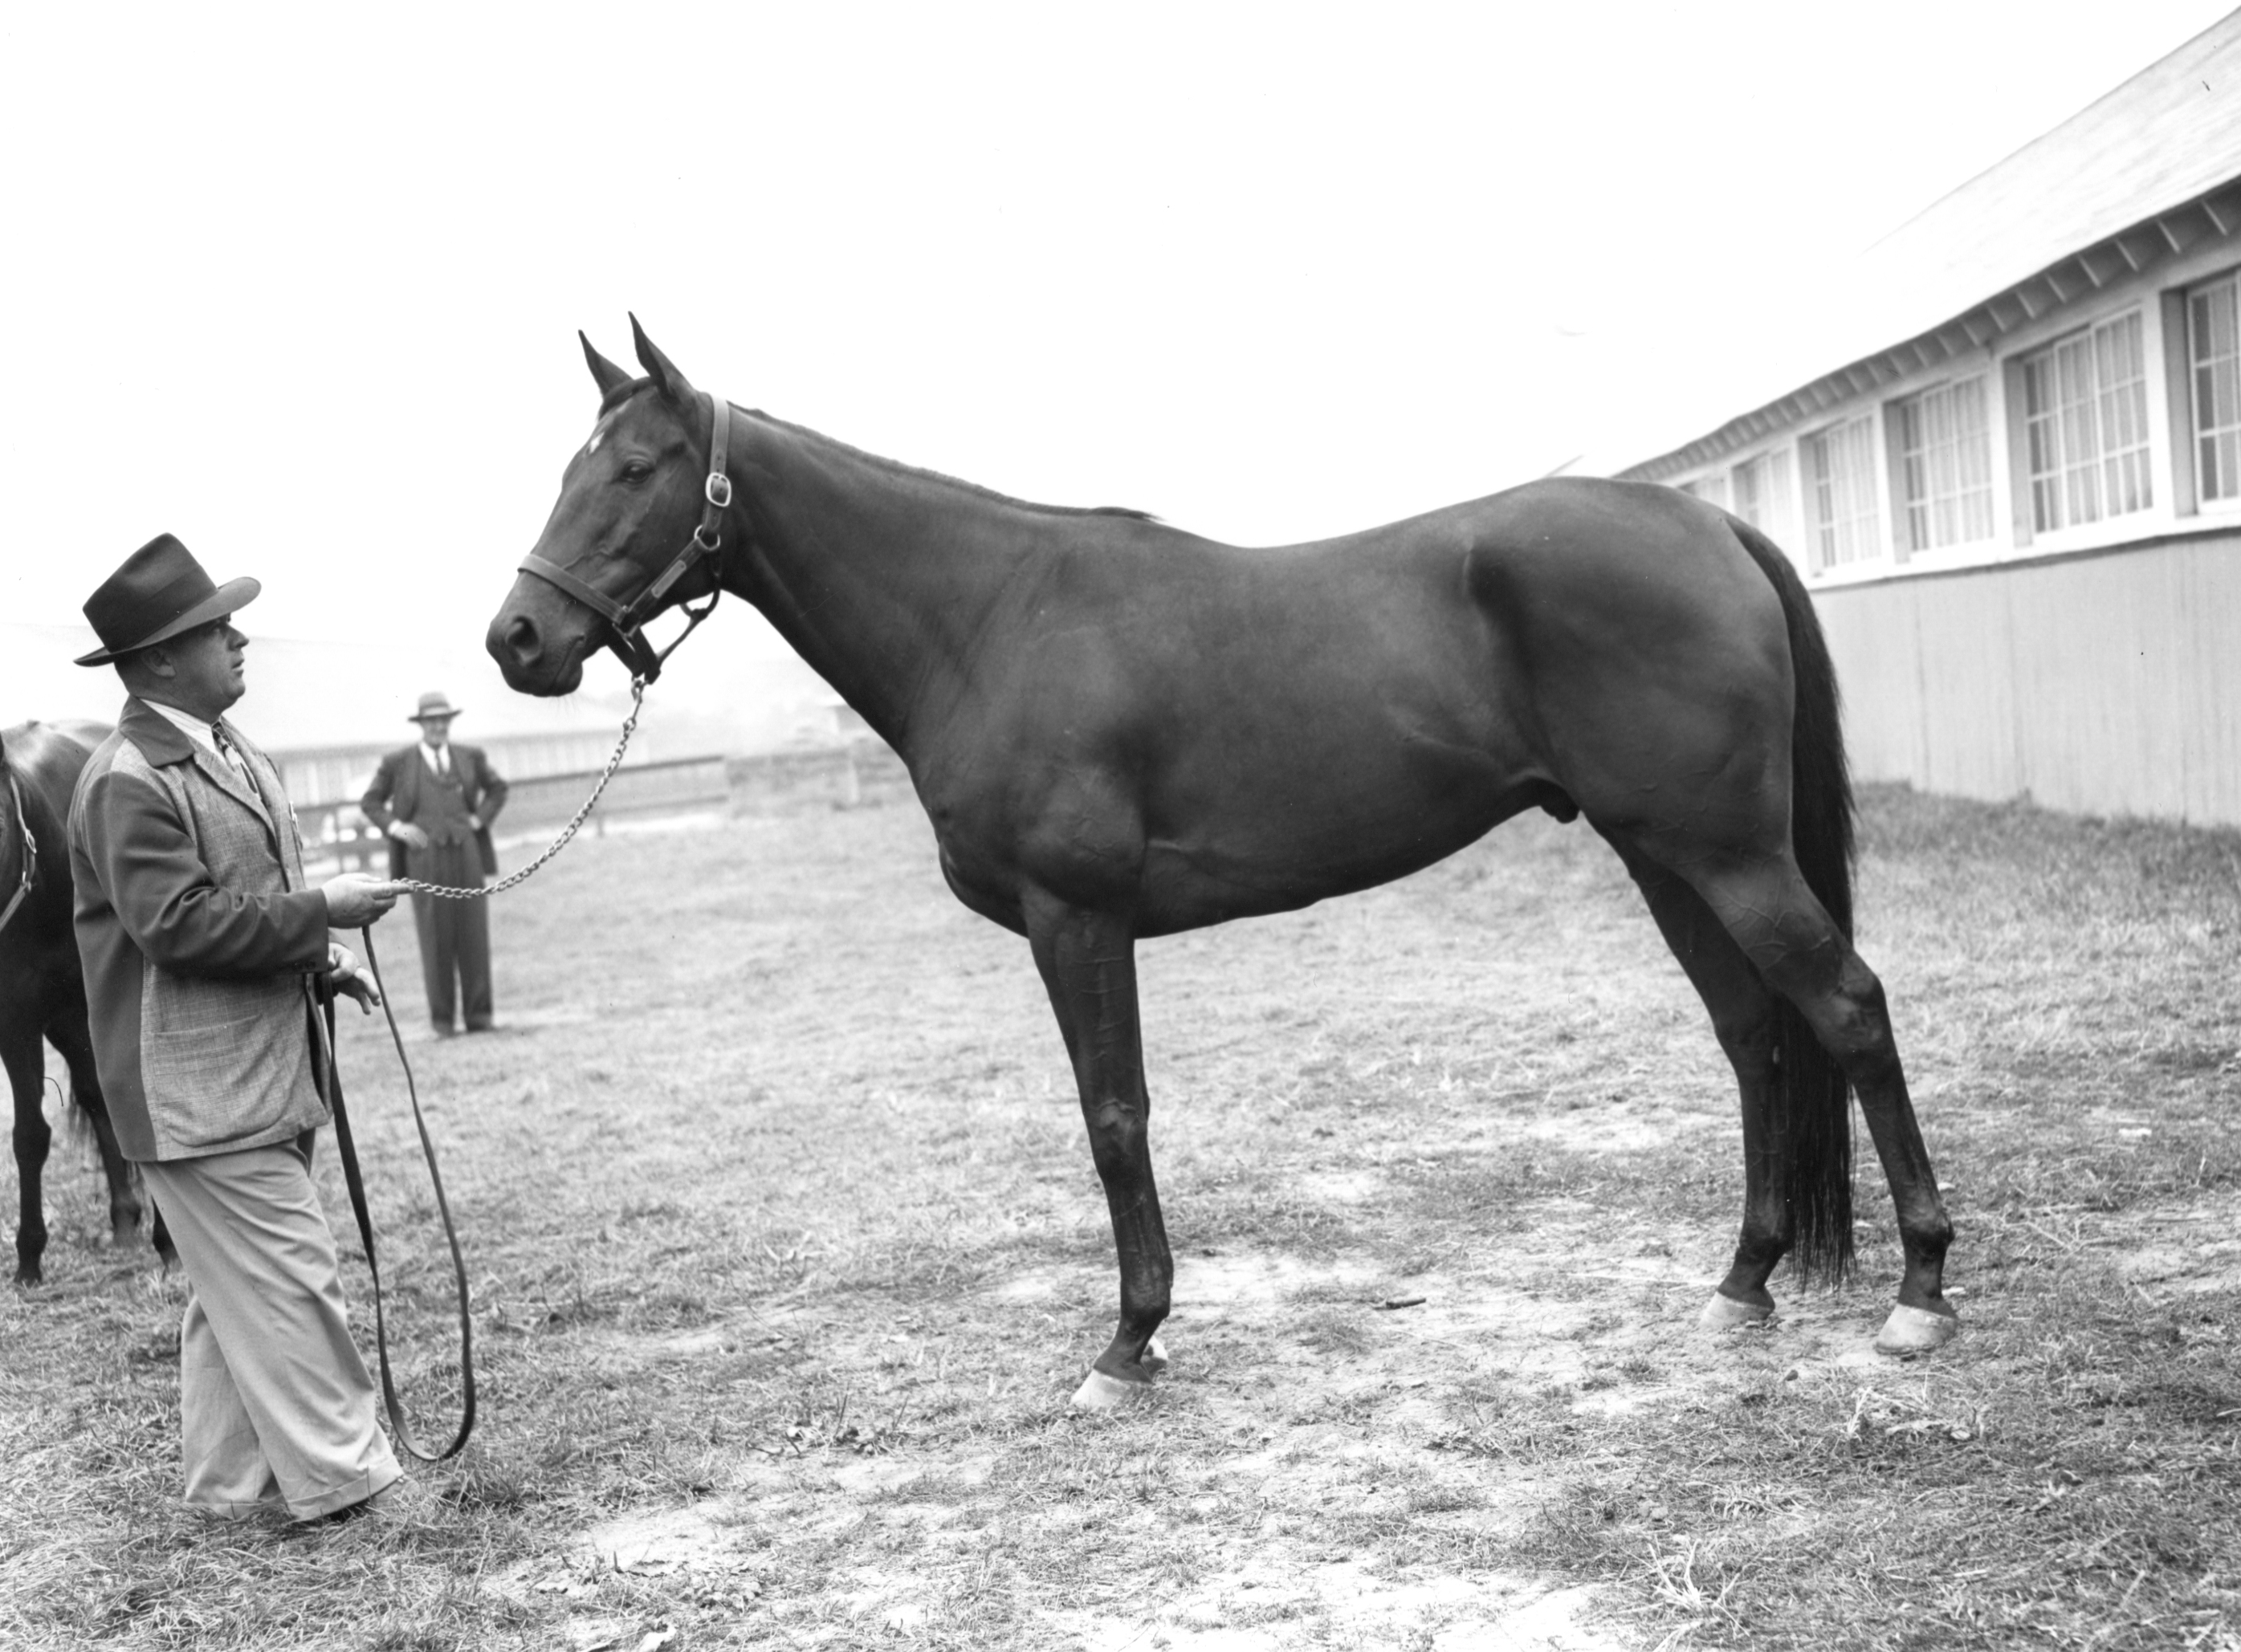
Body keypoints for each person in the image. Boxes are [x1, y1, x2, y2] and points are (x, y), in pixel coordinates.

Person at [67, 532, 422, 1524]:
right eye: (214, 627)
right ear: (160, 660)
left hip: (256, 1068)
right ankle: (353, 1485)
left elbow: (245, 897)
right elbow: (175, 927)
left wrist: (320, 961)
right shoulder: (126, 777)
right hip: (193, 1092)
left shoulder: (227, 749)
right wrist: (325, 913)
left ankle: (228, 1494)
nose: (238, 638)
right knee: (291, 1276)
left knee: (232, 1294)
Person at [357, 693, 508, 1037]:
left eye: (444, 720)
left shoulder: (470, 757)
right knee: (436, 938)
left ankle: (480, 1017)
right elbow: (371, 801)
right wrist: (397, 827)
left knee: (474, 934)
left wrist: (478, 820)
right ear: (421, 725)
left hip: (467, 855)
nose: (439, 727)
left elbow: (498, 789)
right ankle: (443, 1022)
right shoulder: (398, 763)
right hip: (424, 861)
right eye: (432, 721)